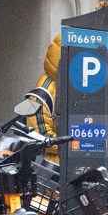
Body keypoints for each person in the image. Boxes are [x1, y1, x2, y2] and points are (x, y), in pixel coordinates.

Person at [23, 34, 61, 163]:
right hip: (57, 167)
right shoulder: (45, 91)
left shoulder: (80, 84)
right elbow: (41, 136)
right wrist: (79, 145)